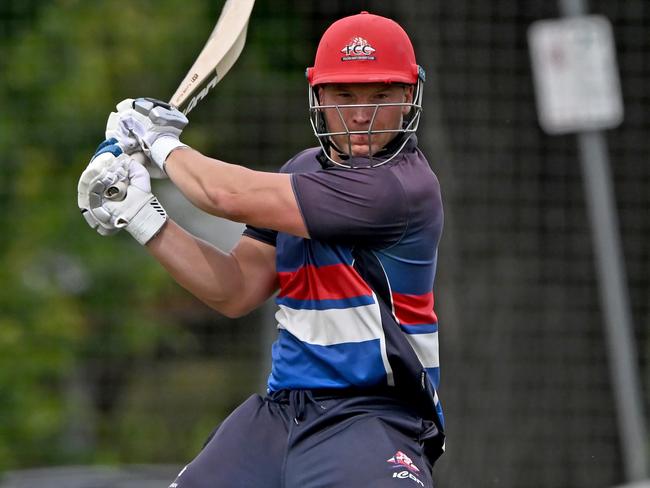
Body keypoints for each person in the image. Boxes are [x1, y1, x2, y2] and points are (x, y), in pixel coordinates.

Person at [78, 11, 445, 488]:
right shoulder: (302, 170)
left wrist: (160, 142)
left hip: (372, 415)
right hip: (278, 415)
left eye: (381, 95)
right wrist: (143, 215)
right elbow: (235, 289)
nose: (361, 114)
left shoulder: (402, 189)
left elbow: (224, 196)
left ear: (409, 95)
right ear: (318, 95)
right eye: (345, 94)